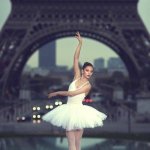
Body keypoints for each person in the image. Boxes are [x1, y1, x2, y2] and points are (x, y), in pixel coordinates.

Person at [42, 32, 107, 150]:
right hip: (73, 112)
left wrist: (56, 93)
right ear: (83, 70)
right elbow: (76, 58)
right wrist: (80, 43)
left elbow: (71, 94)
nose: (89, 73)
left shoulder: (88, 86)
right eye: (87, 70)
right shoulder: (76, 76)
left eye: (91, 71)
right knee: (75, 144)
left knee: (74, 144)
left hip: (75, 112)